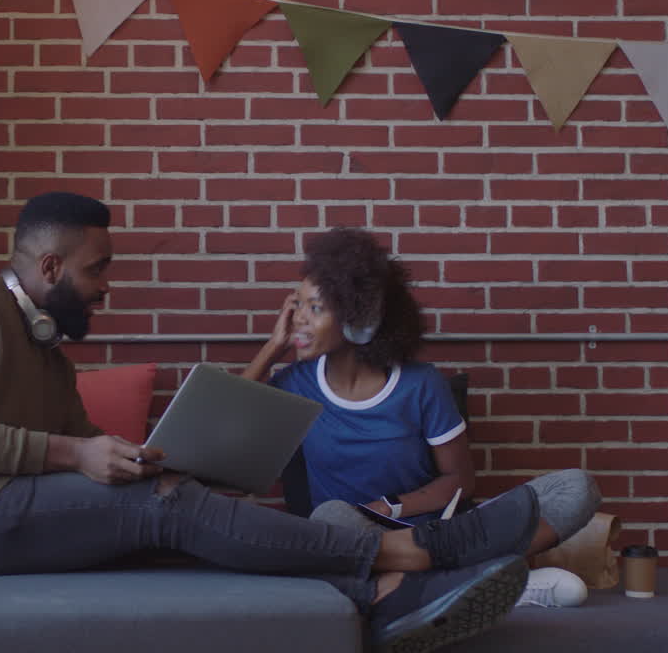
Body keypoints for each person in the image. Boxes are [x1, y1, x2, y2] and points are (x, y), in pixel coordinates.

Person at [0, 192, 541, 653]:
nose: (107, 285)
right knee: (164, 507)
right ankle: (412, 552)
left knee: (175, 518)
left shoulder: (43, 346)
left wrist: (126, 458)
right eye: (97, 269)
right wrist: (79, 457)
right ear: (49, 267)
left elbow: (77, 449)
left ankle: (382, 595)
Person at [241, 227, 601, 609]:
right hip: (354, 538)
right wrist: (271, 348)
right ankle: (482, 579)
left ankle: (440, 583)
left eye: (315, 308)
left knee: (577, 488)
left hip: (439, 533)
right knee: (330, 518)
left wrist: (389, 507)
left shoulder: (422, 385)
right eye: (296, 305)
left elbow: (459, 479)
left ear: (359, 318)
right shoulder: (296, 383)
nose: (298, 319)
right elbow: (225, 424)